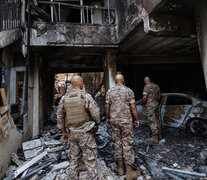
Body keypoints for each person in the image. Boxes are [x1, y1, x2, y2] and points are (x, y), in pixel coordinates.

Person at [57, 75, 100, 180]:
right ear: (81, 84)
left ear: (71, 84)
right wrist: (96, 123)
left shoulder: (64, 98)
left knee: (73, 158)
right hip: (85, 132)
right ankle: (92, 177)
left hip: (72, 133)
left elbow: (59, 116)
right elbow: (96, 114)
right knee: (90, 158)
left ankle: (73, 176)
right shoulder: (86, 96)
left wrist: (64, 132)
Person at [106, 74, 140, 180]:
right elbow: (133, 106)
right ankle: (129, 172)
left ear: (115, 81)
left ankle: (120, 168)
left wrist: (108, 118)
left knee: (117, 143)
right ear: (123, 81)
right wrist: (137, 119)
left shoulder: (110, 91)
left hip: (114, 121)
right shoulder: (129, 91)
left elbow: (107, 106)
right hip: (126, 122)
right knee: (127, 144)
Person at [142, 76, 161, 143]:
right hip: (156, 104)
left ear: (146, 81)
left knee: (152, 120)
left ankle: (155, 137)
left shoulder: (147, 86)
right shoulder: (157, 86)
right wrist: (155, 101)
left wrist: (144, 103)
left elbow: (144, 97)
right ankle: (159, 135)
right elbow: (159, 96)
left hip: (150, 105)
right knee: (156, 119)